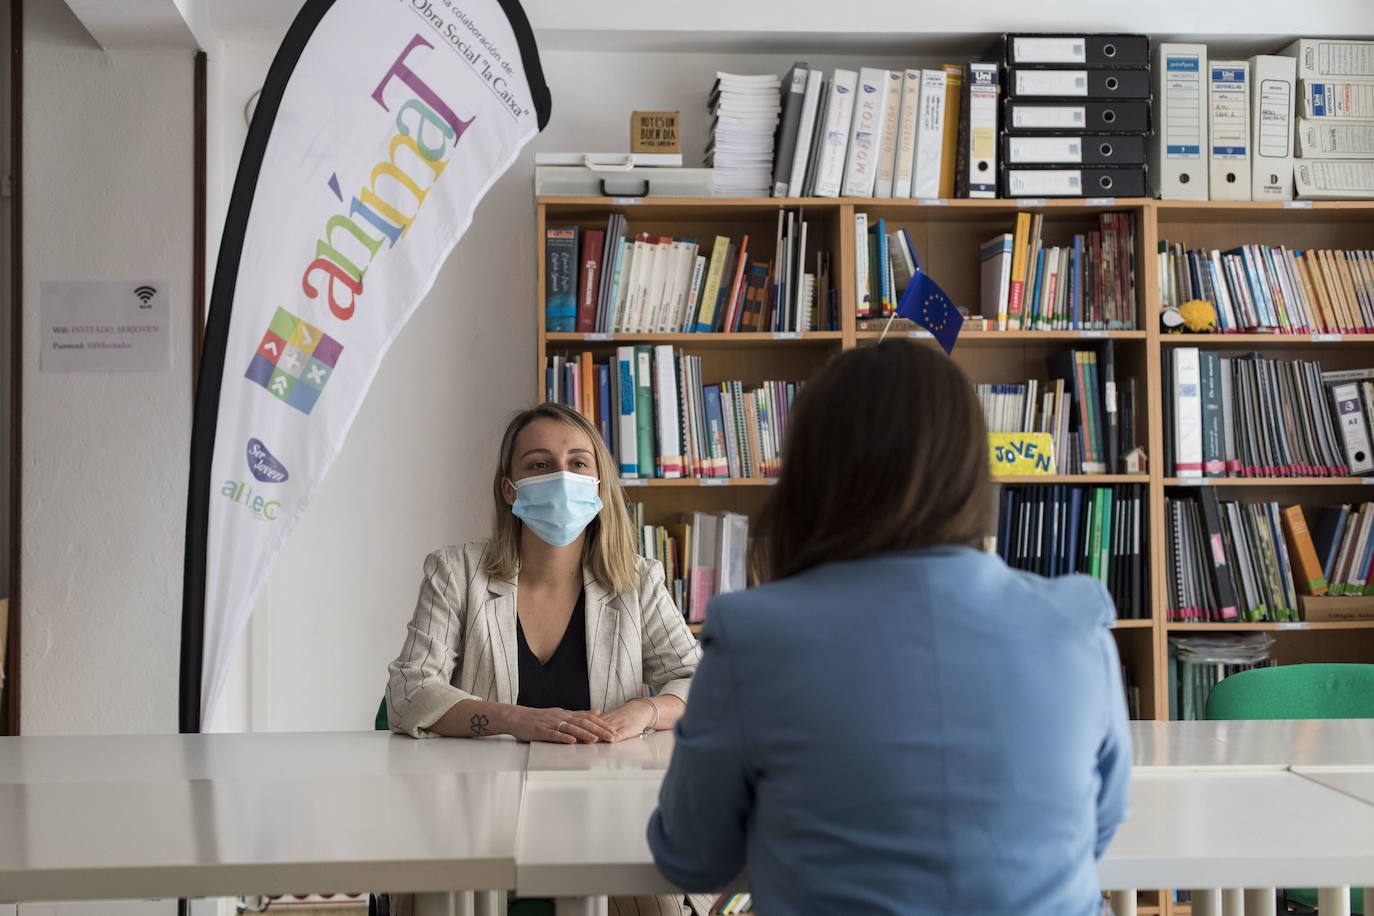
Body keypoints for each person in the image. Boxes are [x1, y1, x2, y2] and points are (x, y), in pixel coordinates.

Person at [648, 340, 1132, 916]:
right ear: (974, 470)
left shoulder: (753, 636)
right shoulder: (1076, 624)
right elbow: (1097, 827)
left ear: (810, 475)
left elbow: (692, 856)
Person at [387, 402, 703, 916]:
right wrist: (519, 720)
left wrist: (641, 712)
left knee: (656, 895)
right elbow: (408, 694)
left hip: (608, 804)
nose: (561, 475)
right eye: (538, 464)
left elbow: (700, 683)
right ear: (510, 488)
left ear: (599, 484)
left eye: (578, 463)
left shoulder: (638, 580)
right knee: (443, 893)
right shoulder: (455, 572)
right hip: (477, 807)